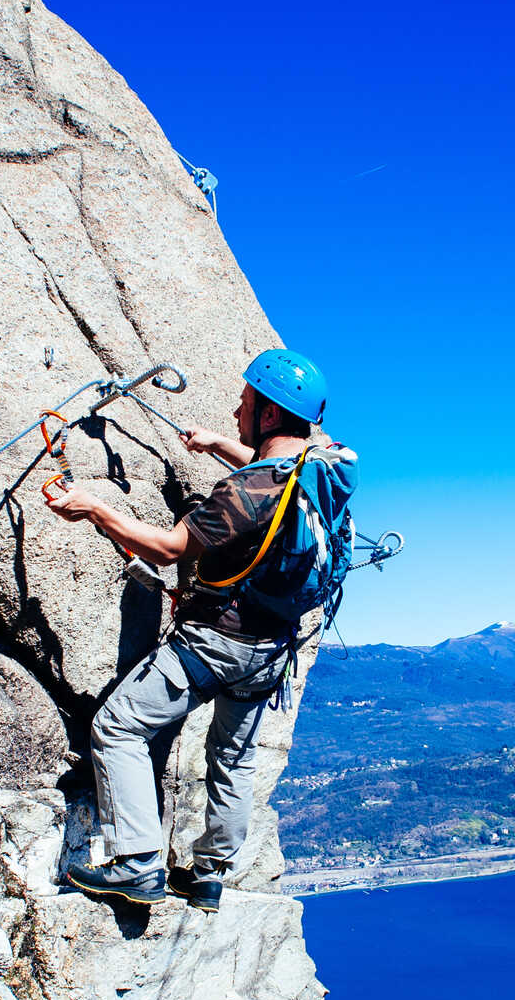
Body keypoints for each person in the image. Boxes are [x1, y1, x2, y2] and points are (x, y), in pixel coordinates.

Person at [42, 348, 331, 911]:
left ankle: (138, 864)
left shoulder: (242, 492)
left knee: (119, 727)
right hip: (274, 648)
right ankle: (208, 874)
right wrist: (220, 447)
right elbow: (271, 474)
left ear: (269, 415)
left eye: (245, 402)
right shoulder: (321, 473)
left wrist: (95, 508)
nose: (235, 409)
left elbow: (170, 546)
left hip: (215, 642)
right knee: (234, 758)